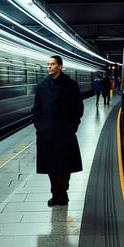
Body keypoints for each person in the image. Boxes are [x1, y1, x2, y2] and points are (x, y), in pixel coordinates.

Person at [32, 55, 84, 206]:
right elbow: (36, 110)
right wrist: (40, 127)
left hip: (65, 132)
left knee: (65, 165)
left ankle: (63, 191)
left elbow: (78, 108)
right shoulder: (41, 86)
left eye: (52, 64)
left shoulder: (71, 85)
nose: (49, 67)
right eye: (48, 64)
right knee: (51, 166)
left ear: (60, 66)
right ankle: (56, 193)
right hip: (46, 133)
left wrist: (72, 127)